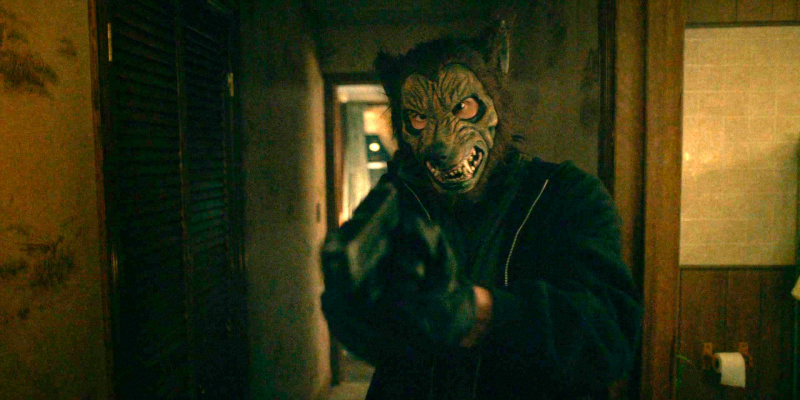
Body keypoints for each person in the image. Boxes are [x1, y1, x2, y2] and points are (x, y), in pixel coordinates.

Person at [320, 21, 643, 400]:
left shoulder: (567, 194)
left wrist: (484, 312)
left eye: (463, 107)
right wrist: (350, 308)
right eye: (419, 118)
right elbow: (383, 340)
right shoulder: (401, 199)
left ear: (495, 105)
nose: (440, 142)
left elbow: (610, 338)